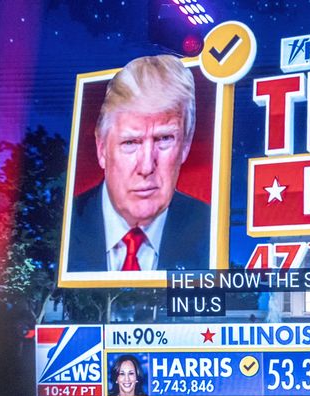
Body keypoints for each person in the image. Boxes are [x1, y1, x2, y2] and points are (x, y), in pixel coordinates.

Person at [66, 54, 210, 273]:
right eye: (130, 142)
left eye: (164, 139)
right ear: (102, 148)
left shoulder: (212, 230)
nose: (146, 167)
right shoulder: (61, 226)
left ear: (186, 145)